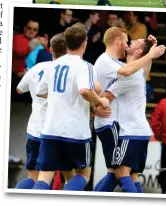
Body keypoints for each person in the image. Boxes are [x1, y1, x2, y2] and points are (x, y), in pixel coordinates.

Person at [32, 22, 110, 191]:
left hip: (50, 130)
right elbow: (84, 90)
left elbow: (40, 92)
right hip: (75, 132)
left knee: (45, 176)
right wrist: (100, 102)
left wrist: (62, 95)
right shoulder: (85, 66)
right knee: (83, 175)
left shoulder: (53, 65)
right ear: (84, 43)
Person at [93, 27, 166, 192]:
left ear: (138, 50)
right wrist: (151, 52)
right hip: (139, 130)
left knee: (118, 172)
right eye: (127, 40)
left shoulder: (129, 74)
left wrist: (93, 108)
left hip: (130, 130)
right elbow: (144, 66)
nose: (129, 43)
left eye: (133, 42)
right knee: (130, 175)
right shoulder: (135, 70)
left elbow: (105, 98)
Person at [15, 33, 67, 189]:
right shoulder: (68, 72)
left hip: (34, 130)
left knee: (33, 178)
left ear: (50, 49)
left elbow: (19, 89)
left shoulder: (37, 68)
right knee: (49, 180)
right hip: (54, 132)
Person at [12, 19, 39, 101]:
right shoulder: (18, 38)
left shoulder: (38, 41)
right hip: (18, 76)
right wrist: (30, 49)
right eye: (29, 28)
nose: (31, 31)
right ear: (24, 28)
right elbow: (19, 52)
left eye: (34, 30)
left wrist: (45, 46)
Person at [150, 94, 166, 194]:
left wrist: (160, 135)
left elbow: (154, 121)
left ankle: (165, 189)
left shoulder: (164, 102)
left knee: (165, 167)